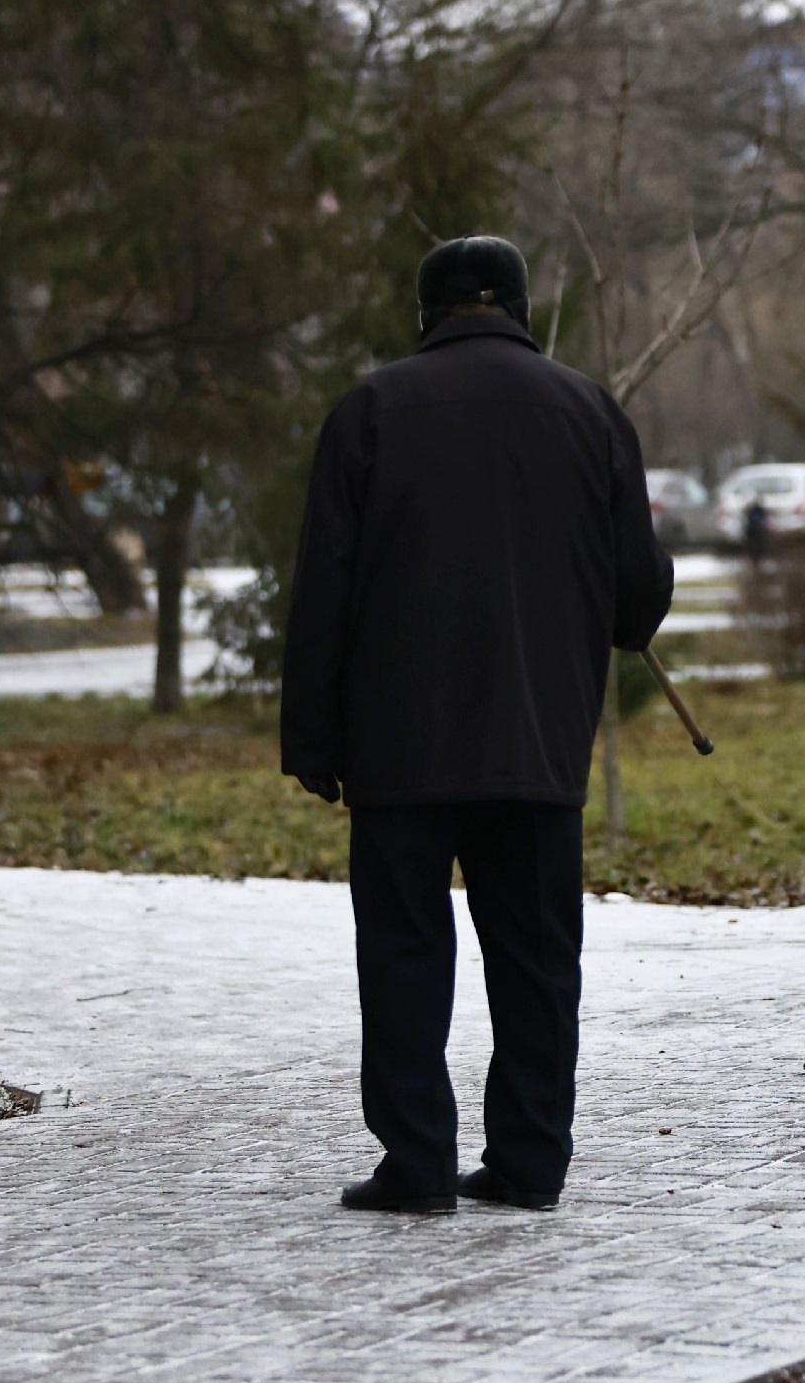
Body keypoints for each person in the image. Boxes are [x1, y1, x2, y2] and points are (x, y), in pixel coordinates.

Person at [283, 235, 674, 1215]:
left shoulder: (369, 411)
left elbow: (322, 591)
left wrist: (313, 741)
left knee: (405, 956)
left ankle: (416, 1164)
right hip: (538, 741)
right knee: (539, 960)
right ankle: (530, 1159)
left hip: (398, 743)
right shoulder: (590, 411)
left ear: (428, 311)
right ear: (521, 310)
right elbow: (636, 591)